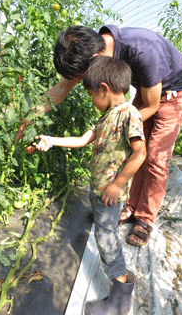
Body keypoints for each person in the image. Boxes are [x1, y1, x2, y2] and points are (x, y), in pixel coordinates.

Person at [16, 24, 182, 247]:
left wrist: (116, 125)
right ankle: (129, 207)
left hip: (171, 91)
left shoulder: (143, 51)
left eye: (82, 78)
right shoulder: (87, 54)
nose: (82, 82)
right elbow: (60, 89)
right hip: (147, 87)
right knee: (134, 149)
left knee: (155, 157)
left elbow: (152, 105)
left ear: (95, 58)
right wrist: (27, 119)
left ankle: (145, 218)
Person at [33, 56, 146, 315]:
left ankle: (119, 301)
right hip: (99, 192)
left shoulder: (128, 113)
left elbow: (140, 153)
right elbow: (82, 140)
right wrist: (51, 139)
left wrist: (117, 185)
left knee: (107, 241)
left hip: (109, 194)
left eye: (92, 95)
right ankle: (119, 292)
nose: (92, 101)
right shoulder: (106, 117)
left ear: (104, 89)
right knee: (102, 233)